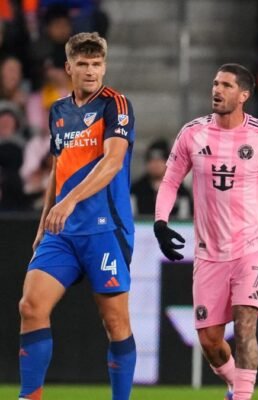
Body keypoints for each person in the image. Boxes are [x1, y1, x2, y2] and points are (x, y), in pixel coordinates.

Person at [153, 63, 258, 400]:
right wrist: (160, 222)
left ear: (243, 95)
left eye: (227, 85)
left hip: (250, 250)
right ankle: (235, 386)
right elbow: (170, 180)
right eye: (216, 83)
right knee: (210, 341)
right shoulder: (193, 134)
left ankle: (243, 396)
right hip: (209, 254)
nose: (217, 90)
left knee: (245, 327)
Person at [17, 32, 136, 400]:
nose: (90, 71)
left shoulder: (115, 105)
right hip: (62, 233)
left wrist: (68, 202)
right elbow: (59, 168)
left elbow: (112, 162)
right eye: (82, 64)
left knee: (115, 322)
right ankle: (29, 397)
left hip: (105, 230)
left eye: (96, 64)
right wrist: (44, 223)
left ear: (104, 66)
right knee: (31, 306)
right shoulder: (59, 111)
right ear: (68, 68)